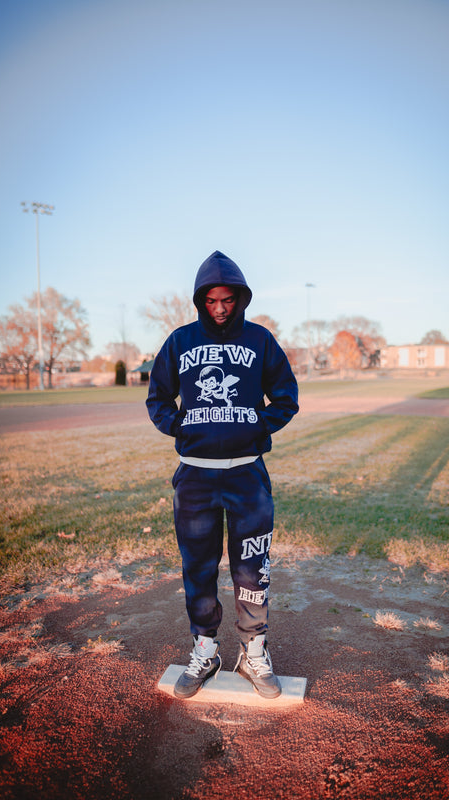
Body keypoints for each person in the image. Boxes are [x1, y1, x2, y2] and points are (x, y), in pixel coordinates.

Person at [146, 251, 299, 699]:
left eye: (227, 299)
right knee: (199, 567)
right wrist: (180, 426)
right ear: (200, 300)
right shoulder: (180, 341)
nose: (219, 308)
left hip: (247, 476)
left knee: (252, 568)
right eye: (210, 300)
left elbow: (286, 398)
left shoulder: (260, 341)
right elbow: (158, 398)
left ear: (240, 298)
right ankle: (206, 648)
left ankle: (254, 653)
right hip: (194, 478)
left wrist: (256, 426)